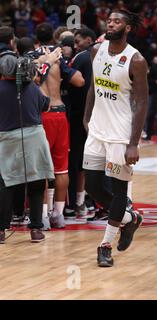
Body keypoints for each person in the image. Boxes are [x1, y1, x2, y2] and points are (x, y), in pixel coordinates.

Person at [82, 9, 148, 267]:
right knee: (93, 187)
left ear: (128, 27)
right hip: (97, 130)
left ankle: (105, 245)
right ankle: (130, 218)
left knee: (119, 190)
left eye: (117, 21)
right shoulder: (96, 51)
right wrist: (86, 118)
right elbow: (93, 87)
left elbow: (142, 102)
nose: (111, 23)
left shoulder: (136, 60)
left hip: (121, 135)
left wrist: (133, 143)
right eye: (109, 20)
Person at [0, 35, 60, 243]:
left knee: (6, 184)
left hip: (7, 139)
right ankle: (35, 229)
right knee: (36, 183)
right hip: (34, 136)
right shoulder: (31, 88)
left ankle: (1, 230)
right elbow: (47, 105)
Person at [35, 22, 85, 228]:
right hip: (60, 113)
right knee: (61, 168)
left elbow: (34, 81)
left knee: (42, 169)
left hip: (42, 115)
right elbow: (80, 81)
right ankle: (59, 215)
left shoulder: (31, 56)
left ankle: (44, 216)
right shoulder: (58, 58)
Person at [66, 27, 97, 220]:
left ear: (88, 39)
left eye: (77, 41)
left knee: (75, 162)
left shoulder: (82, 57)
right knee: (91, 162)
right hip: (95, 115)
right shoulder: (100, 56)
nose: (74, 46)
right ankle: (87, 202)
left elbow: (76, 84)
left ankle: (75, 204)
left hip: (79, 116)